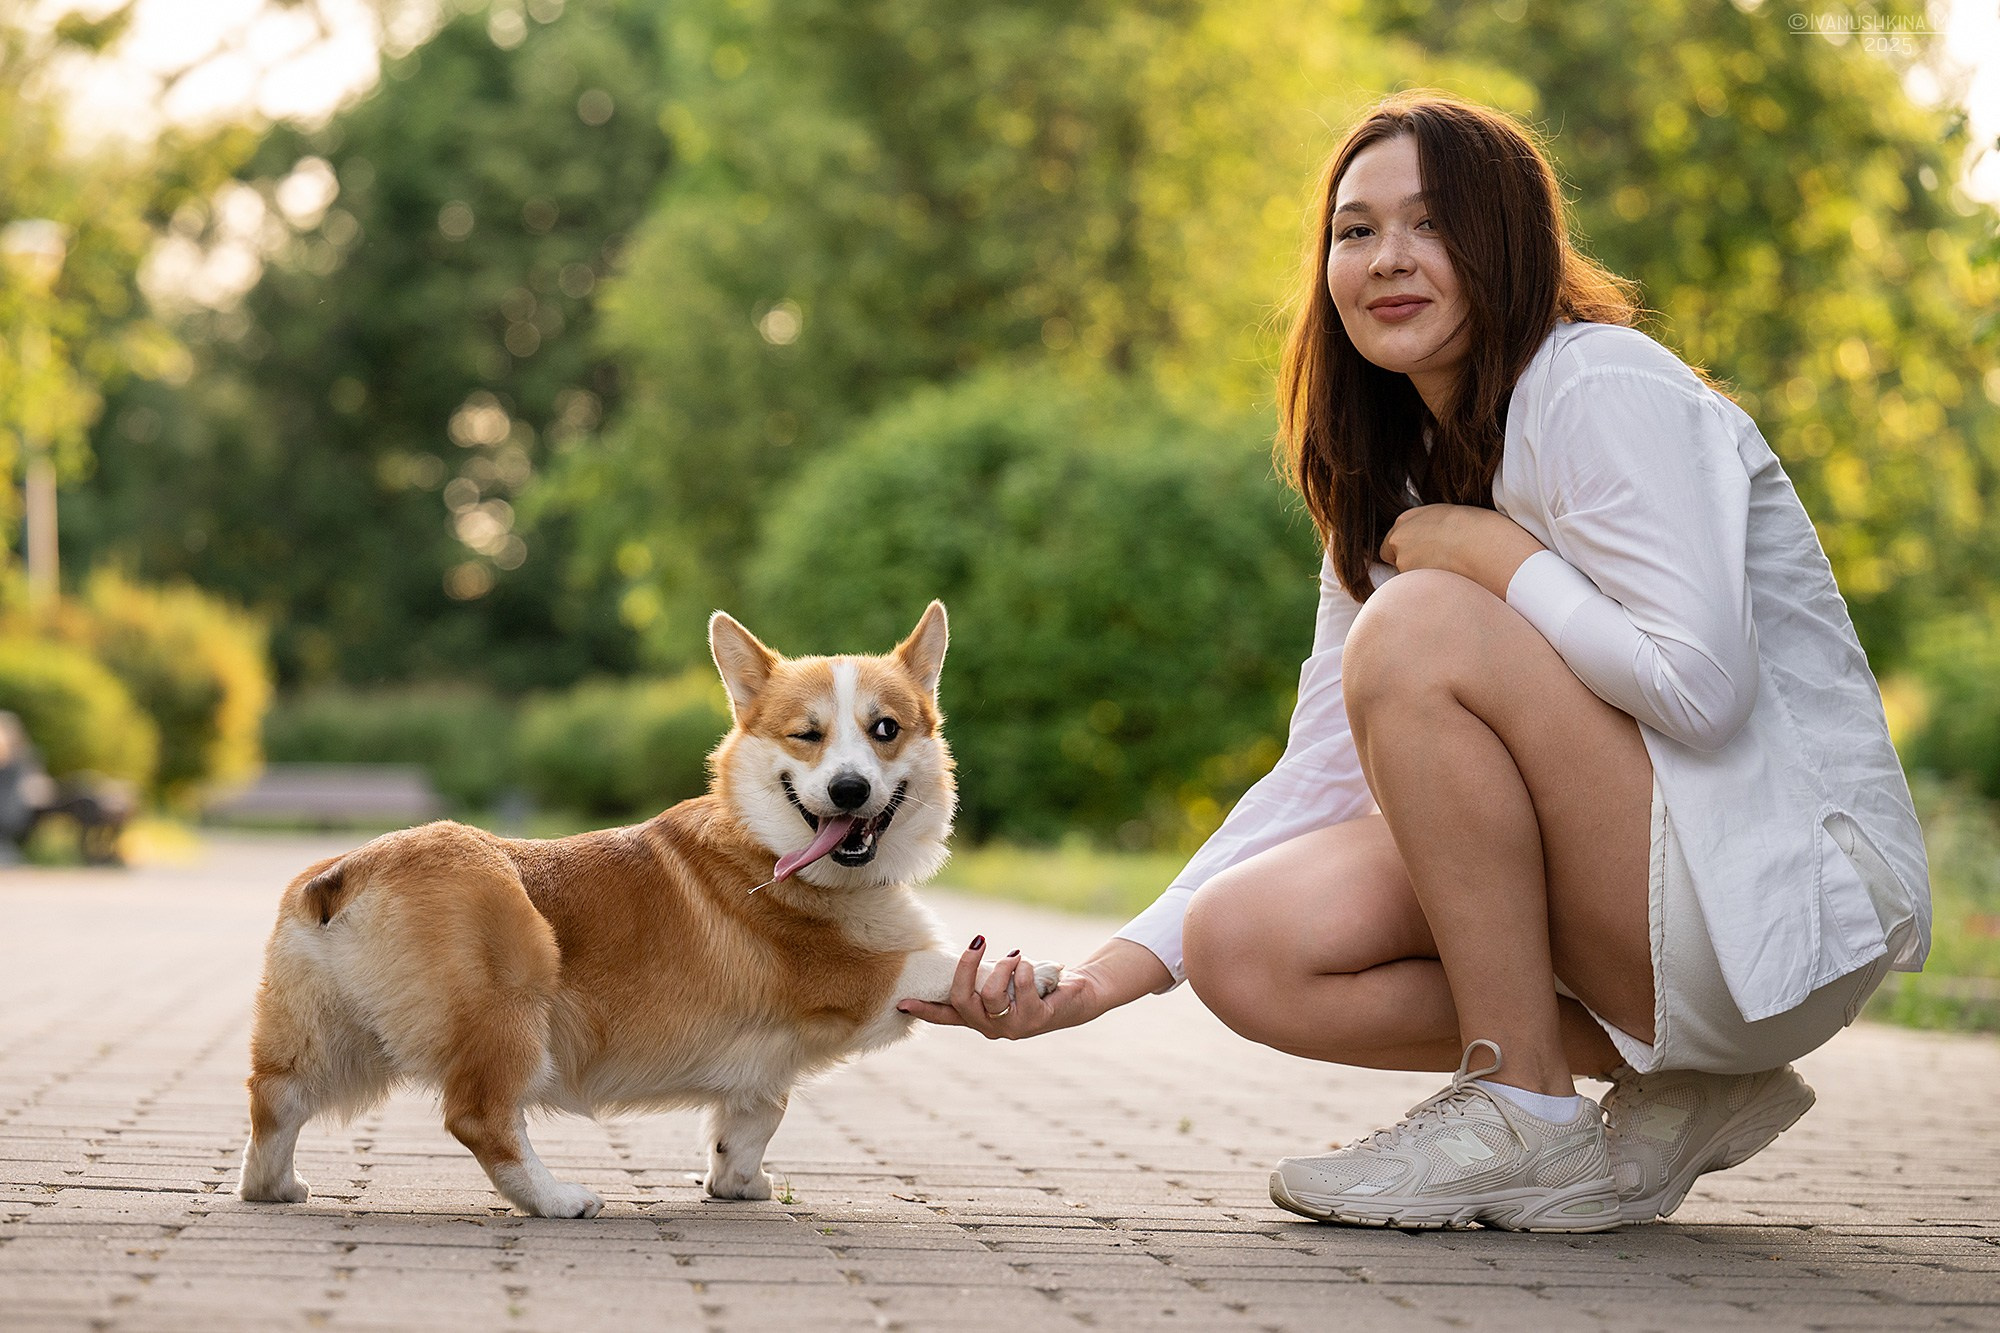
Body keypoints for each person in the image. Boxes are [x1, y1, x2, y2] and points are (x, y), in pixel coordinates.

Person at [898, 91, 1930, 1232]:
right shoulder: (1388, 476)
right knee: (1243, 944)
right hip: (1658, 927)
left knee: (1420, 623)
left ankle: (1515, 1106)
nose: (1385, 258)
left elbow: (1699, 688)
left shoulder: (1596, 384)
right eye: (1353, 231)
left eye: (1429, 224)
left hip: (1768, 908)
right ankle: (1686, 1085)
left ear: (1505, 243)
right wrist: (1104, 976)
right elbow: (1322, 774)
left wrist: (1491, 556)